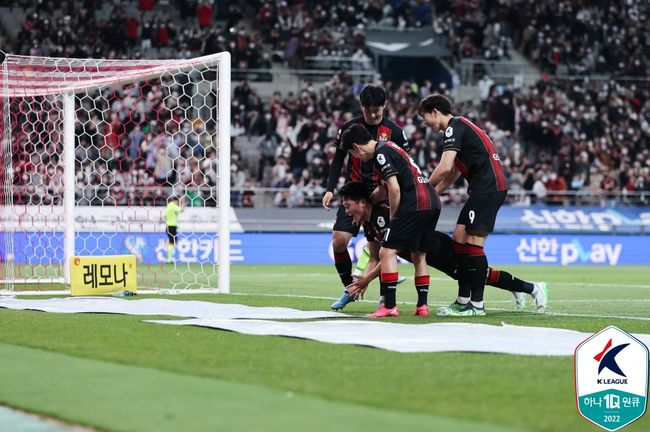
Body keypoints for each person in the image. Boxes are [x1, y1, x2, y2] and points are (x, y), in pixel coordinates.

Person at [337, 182, 548, 313]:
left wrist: (367, 278)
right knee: (478, 275)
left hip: (436, 249)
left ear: (362, 202)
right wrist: (362, 282)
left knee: (477, 275)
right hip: (424, 254)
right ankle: (520, 288)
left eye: (348, 205)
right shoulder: (368, 225)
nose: (346, 211)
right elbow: (377, 258)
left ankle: (533, 288)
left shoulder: (383, 214)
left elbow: (389, 254)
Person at [418, 94, 507, 317]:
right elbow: (454, 172)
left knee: (473, 243)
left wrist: (423, 190)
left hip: (488, 189)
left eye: (425, 117)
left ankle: (477, 305)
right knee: (459, 238)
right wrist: (432, 194)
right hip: (481, 190)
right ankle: (463, 299)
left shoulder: (453, 128)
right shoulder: (460, 128)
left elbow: (445, 166)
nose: (425, 122)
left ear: (435, 111)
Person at [323, 85, 410, 310]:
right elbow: (338, 158)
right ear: (361, 106)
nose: (372, 115)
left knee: (381, 249)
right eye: (368, 110)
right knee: (338, 241)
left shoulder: (396, 132)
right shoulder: (349, 128)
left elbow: (404, 164)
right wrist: (330, 188)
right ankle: (350, 288)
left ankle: (385, 299)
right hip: (355, 193)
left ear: (385, 106)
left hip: (383, 193)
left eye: (377, 110)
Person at [339, 125, 440, 317]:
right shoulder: (391, 146)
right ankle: (422, 306)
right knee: (419, 255)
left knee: (387, 251)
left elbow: (393, 189)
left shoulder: (380, 154)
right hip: (432, 201)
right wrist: (365, 206)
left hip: (415, 202)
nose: (357, 158)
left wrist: (394, 217)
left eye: (353, 154)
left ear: (356, 147)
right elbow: (383, 189)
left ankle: (389, 306)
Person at [164, 195, 183, 263]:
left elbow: (165, 216)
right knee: (173, 242)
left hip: (168, 226)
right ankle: (169, 259)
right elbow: (182, 210)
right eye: (178, 201)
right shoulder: (174, 206)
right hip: (172, 226)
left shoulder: (168, 206)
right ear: (177, 201)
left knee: (172, 241)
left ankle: (169, 256)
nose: (178, 203)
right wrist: (182, 203)